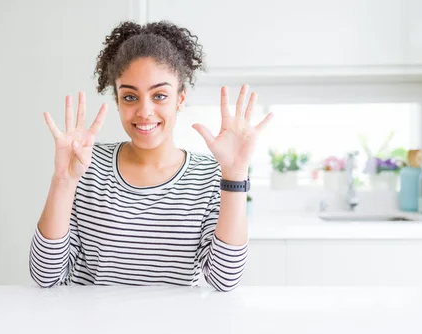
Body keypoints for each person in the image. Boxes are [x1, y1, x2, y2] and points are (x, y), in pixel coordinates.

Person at [29, 20, 272, 292]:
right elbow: (45, 275)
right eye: (130, 97)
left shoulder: (209, 176)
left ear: (180, 99)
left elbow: (224, 279)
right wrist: (63, 179)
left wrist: (235, 176)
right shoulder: (85, 165)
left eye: (159, 95)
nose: (145, 111)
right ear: (118, 101)